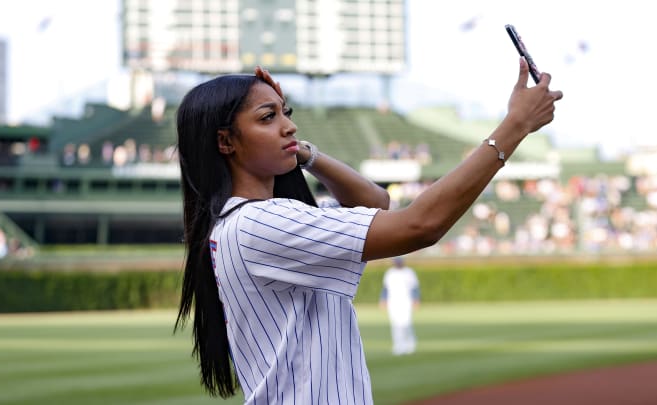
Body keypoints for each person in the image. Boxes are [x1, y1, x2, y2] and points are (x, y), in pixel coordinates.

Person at [175, 59, 562, 404]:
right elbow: (420, 225)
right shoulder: (258, 225)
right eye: (267, 117)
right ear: (225, 141)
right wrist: (514, 127)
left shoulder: (256, 220)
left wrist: (302, 151)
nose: (289, 125)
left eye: (285, 113)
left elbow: (374, 203)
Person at [380, 256, 420, 355]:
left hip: (406, 301)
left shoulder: (409, 272)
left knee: (406, 323)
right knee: (395, 324)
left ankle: (410, 344)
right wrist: (383, 300)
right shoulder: (390, 273)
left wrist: (416, 300)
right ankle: (398, 345)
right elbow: (385, 288)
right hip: (393, 301)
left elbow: (415, 288)